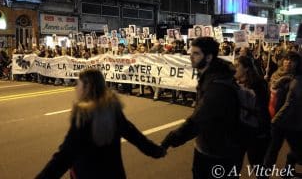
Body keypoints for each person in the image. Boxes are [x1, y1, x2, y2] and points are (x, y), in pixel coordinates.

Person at [36, 69, 165, 179]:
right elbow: (135, 136)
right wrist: (156, 151)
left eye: (78, 84)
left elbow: (64, 157)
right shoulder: (113, 110)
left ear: (88, 87)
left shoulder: (84, 116)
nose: (76, 87)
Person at [161, 37, 242, 179]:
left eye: (196, 53)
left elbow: (199, 119)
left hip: (219, 153)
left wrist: (170, 139)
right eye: (191, 53)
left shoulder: (218, 85)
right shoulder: (210, 75)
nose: (191, 57)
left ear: (209, 57)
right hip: (208, 146)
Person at [264, 52, 302, 177]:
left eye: (292, 60)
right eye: (286, 59)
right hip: (276, 118)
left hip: (289, 120)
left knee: (296, 150)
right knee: (273, 150)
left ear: (297, 64)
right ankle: (264, 174)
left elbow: (291, 103)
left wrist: (275, 120)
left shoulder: (296, 79)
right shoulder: (276, 74)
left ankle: (287, 170)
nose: (288, 62)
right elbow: (271, 94)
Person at [234, 56, 271, 171]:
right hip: (239, 131)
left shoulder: (258, 85)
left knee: (257, 164)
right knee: (234, 165)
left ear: (246, 68)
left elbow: (262, 110)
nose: (234, 69)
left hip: (255, 131)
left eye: (237, 66)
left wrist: (262, 131)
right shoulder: (234, 84)